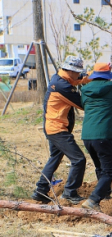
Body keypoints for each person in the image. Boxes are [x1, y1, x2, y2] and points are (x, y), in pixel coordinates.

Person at [32, 56, 89, 204]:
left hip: (53, 127)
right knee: (79, 159)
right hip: (57, 130)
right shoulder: (62, 87)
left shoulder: (60, 77)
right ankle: (70, 192)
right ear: (70, 71)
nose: (79, 75)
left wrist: (92, 76)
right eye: (77, 72)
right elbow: (83, 104)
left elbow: (78, 79)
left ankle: (40, 190)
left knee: (55, 158)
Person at [80, 63, 112, 211]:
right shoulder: (111, 88)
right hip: (103, 133)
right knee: (109, 169)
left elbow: (82, 104)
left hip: (87, 135)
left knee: (100, 166)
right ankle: (93, 200)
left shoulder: (85, 89)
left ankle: (105, 193)